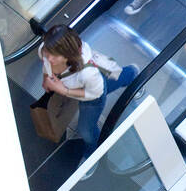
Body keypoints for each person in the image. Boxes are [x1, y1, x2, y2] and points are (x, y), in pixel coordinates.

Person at [39, 25, 139, 161]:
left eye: (55, 55)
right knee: (109, 83)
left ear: (69, 54)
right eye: (47, 51)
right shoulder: (46, 51)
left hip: (92, 98)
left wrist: (63, 90)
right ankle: (131, 73)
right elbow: (45, 62)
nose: (49, 58)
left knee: (86, 129)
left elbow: (95, 94)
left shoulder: (88, 73)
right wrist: (46, 78)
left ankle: (92, 152)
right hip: (88, 85)